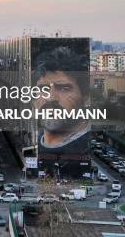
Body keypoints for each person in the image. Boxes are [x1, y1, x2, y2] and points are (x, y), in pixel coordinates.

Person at [33, 44, 91, 178]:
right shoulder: (32, 145)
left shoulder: (86, 148)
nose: (51, 98)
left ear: (86, 98)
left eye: (64, 88)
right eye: (43, 88)